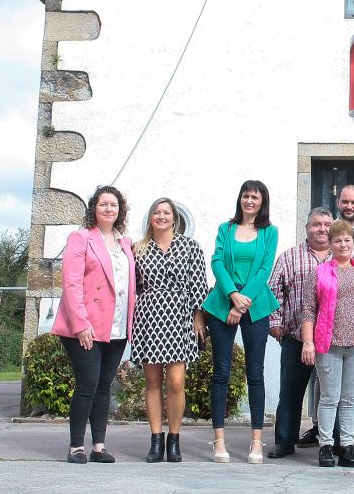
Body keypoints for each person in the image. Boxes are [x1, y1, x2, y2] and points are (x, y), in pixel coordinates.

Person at [51, 185, 136, 464]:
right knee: (87, 384)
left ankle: (98, 446)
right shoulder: (80, 238)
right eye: (103, 204)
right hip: (85, 327)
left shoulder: (126, 244)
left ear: (119, 210)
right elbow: (72, 284)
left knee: (104, 386)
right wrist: (81, 324)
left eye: (113, 205)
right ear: (94, 209)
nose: (108, 209)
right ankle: (76, 446)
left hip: (117, 326)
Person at [201, 180, 279, 464]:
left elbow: (264, 268)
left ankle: (256, 442)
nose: (249, 201)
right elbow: (217, 262)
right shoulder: (226, 228)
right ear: (240, 199)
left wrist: (243, 301)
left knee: (255, 373)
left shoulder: (269, 231)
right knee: (221, 371)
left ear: (262, 201)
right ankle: (218, 440)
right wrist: (233, 295)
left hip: (255, 305)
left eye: (255, 197)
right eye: (246, 196)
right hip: (223, 302)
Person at [305, 187, 354, 452]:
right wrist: (308, 343)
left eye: (347, 240)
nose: (342, 245)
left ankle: (348, 445)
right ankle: (327, 445)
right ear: (330, 243)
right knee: (329, 398)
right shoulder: (319, 272)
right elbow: (309, 310)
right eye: (337, 240)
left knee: (350, 398)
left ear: (353, 243)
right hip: (328, 345)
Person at [130, 197, 208, 463]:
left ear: (175, 218)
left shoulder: (190, 247)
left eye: (166, 212)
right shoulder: (138, 249)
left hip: (180, 316)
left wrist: (199, 318)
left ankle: (174, 439)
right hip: (149, 317)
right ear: (151, 217)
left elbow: (199, 283)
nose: (161, 216)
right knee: (152, 382)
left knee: (176, 382)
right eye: (156, 212)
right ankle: (155, 441)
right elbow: (135, 288)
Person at [267, 208, 334, 458]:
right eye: (317, 224)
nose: (322, 229)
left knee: (332, 394)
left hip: (332, 340)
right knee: (290, 391)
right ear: (307, 227)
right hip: (295, 335)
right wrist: (274, 322)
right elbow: (275, 292)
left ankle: (335, 441)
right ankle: (285, 441)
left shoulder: (341, 257)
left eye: (327, 224)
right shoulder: (289, 257)